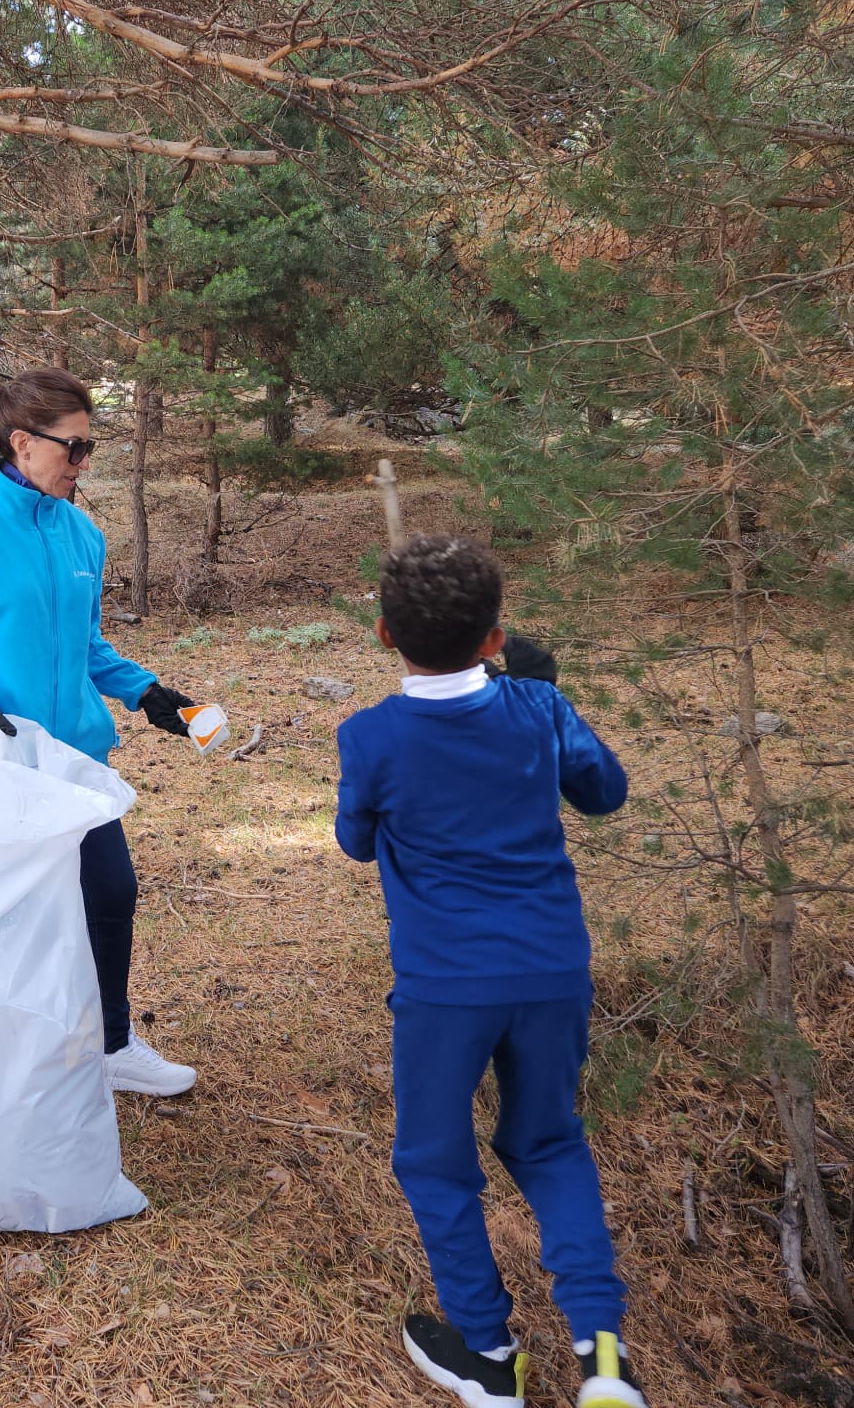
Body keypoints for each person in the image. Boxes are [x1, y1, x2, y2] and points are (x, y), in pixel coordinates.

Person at [334, 534, 642, 1408]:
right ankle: (603, 1359)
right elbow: (605, 792)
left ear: (386, 637)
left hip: (445, 987)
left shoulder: (371, 735)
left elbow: (355, 842)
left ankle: (486, 1355)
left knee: (435, 1162)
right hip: (552, 968)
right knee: (548, 1142)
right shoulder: (539, 710)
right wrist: (548, 693)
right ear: (496, 636)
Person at [0, 367, 205, 1097]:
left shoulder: (82, 536)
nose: (84, 462)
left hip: (73, 765)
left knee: (109, 895)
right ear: (23, 443)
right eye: (75, 448)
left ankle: (111, 1044)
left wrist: (148, 693)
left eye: (91, 447)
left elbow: (86, 645)